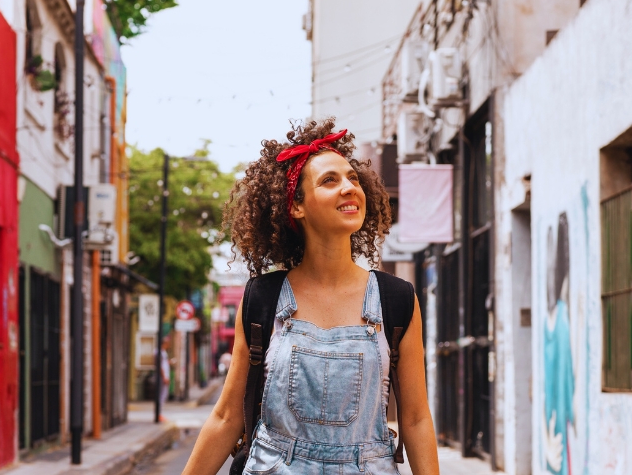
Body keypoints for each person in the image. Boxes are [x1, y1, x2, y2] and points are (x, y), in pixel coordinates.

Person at [182, 119, 440, 475]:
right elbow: (226, 416)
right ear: (296, 207)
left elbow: (415, 418)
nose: (350, 188)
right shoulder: (263, 298)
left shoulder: (396, 299)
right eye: (330, 181)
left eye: (352, 178)